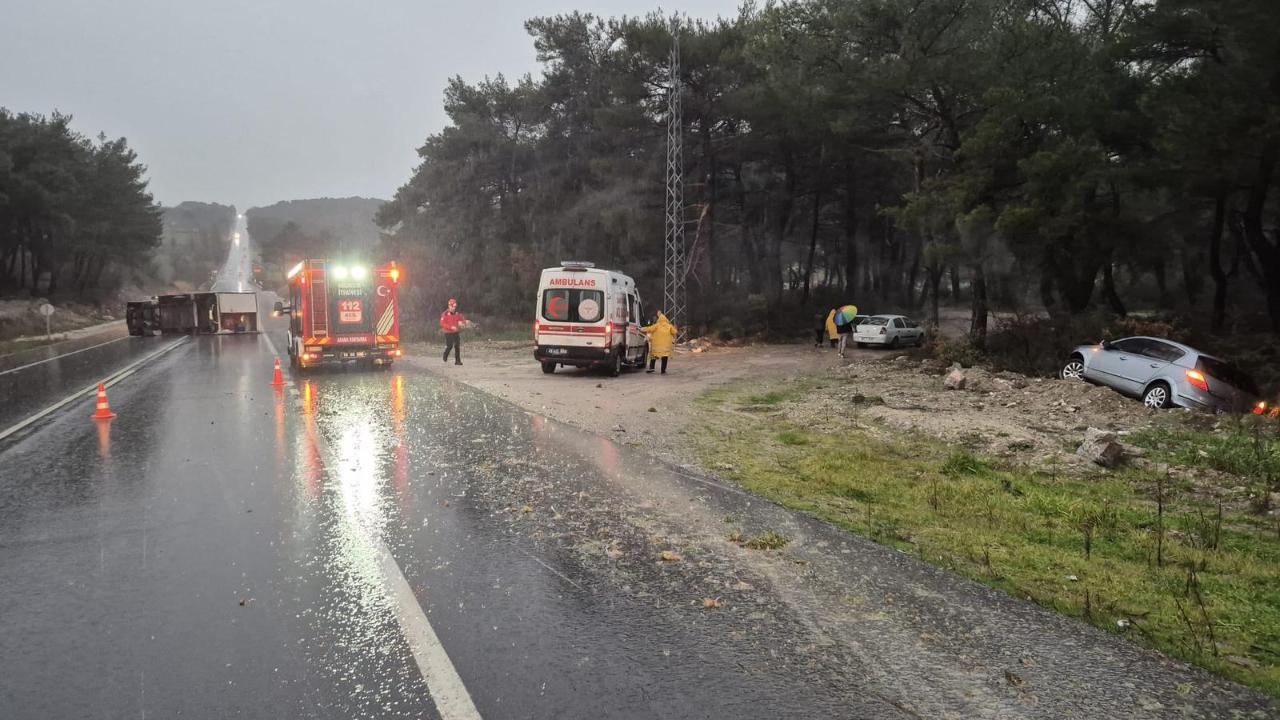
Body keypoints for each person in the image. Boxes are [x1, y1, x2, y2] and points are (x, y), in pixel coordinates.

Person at [440, 298, 466, 365]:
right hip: (448, 332)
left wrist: (462, 323)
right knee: (450, 346)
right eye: (452, 306)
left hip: (455, 331)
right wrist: (450, 327)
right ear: (449, 306)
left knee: (457, 345)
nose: (453, 308)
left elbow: (462, 319)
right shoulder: (445, 314)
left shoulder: (457, 314)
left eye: (454, 306)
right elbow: (442, 324)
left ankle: (457, 361)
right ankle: (445, 355)